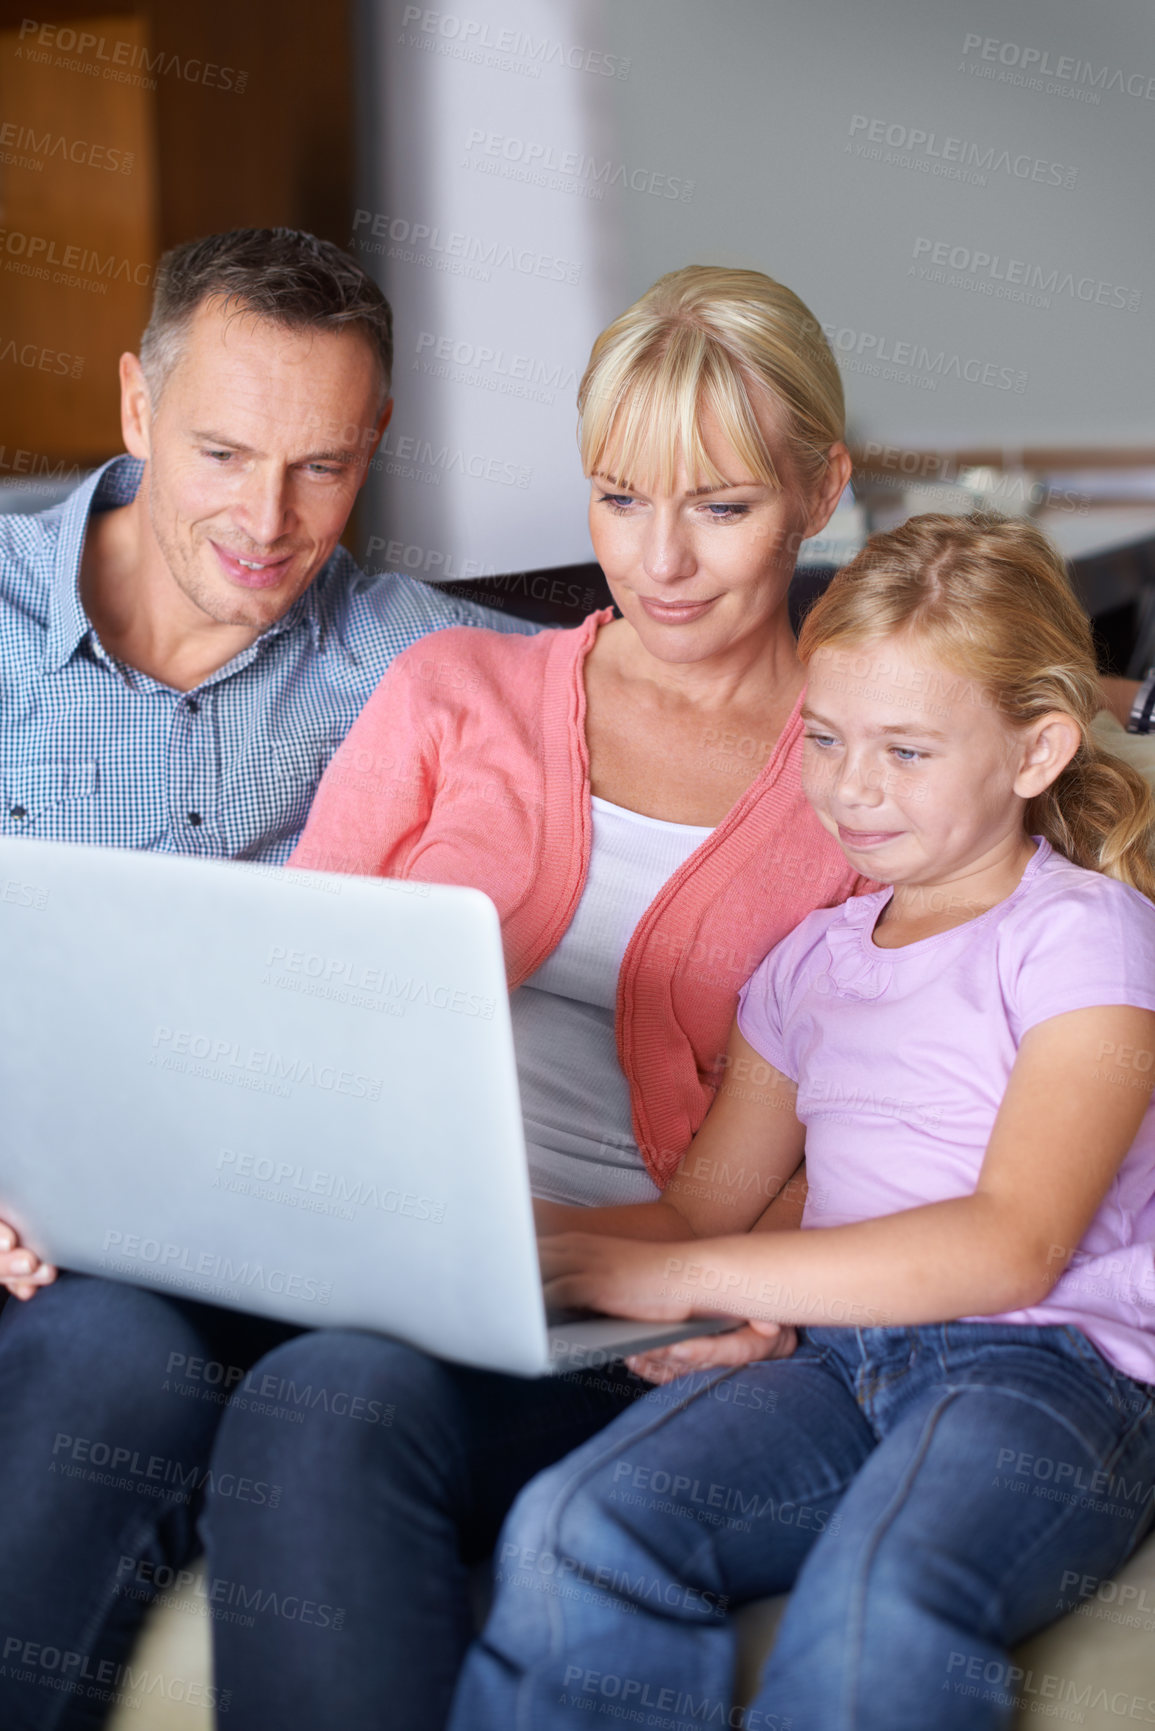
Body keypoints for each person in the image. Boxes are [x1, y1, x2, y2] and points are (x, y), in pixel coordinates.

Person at [185, 265, 872, 1731]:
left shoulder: (873, 767)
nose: (661, 561)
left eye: (721, 505)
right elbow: (282, 1008)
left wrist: (724, 1284)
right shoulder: (451, 690)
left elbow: (900, 1137)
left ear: (822, 486)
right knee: (309, 1394)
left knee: (321, 1409)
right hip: (394, 1266)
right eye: (619, 497)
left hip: (656, 1314)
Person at [450, 512, 1155, 1731]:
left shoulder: (1086, 936)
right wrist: (530, 1235)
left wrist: (686, 1278)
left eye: (907, 751)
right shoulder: (806, 965)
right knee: (578, 1526)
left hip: (1043, 1373)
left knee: (888, 1592)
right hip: (831, 1358)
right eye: (824, 739)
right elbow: (697, 1207)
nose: (849, 787)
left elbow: (1013, 1243)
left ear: (1037, 750)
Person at [0, 224, 534, 1728]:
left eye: (323, 466)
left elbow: (677, 676)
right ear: (132, 409)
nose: (266, 521)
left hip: (288, 1266)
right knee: (109, 1352)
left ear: (373, 446)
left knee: (285, 1380)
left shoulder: (398, 653)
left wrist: (1055, 695)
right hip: (35, 1258)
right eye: (223, 452)